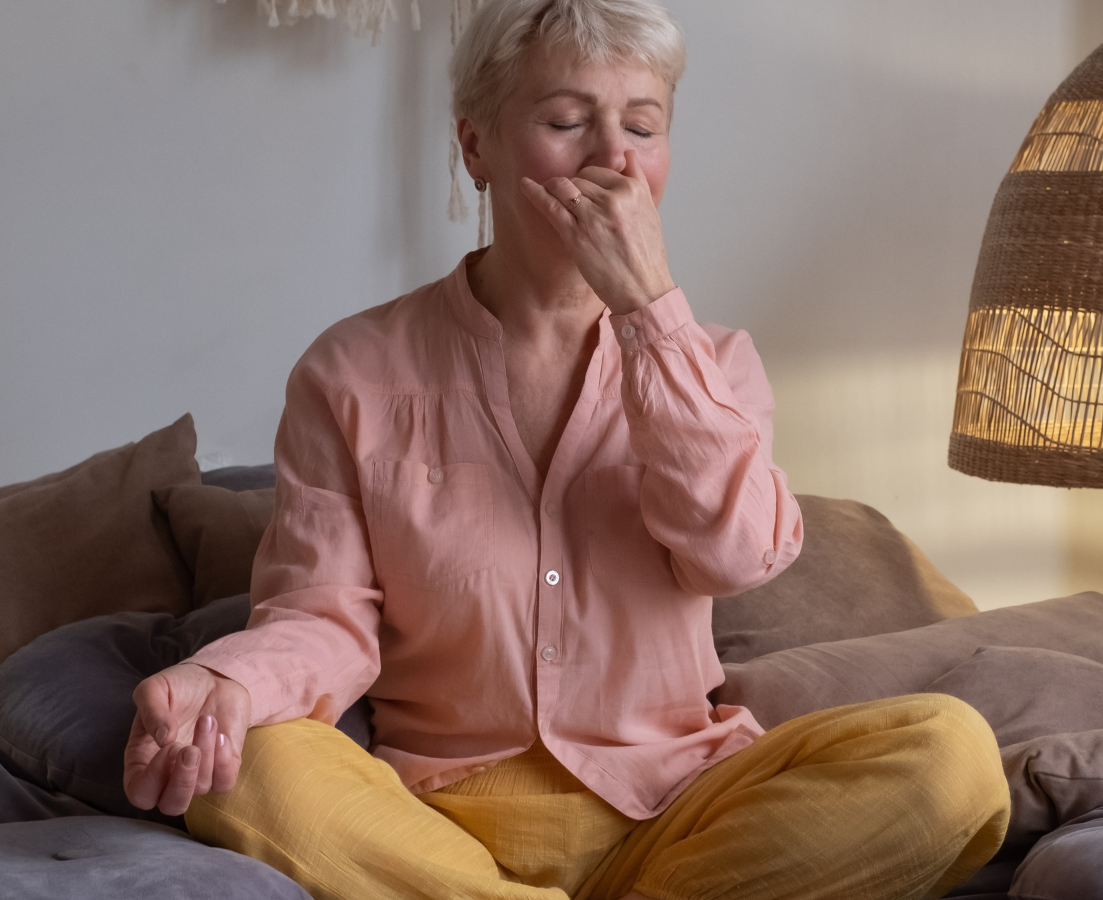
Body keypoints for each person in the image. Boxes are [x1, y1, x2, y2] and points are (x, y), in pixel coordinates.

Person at [121, 1, 1009, 898]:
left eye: (641, 125)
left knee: (953, 756)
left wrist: (651, 314)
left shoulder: (719, 365)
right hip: (437, 820)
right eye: (566, 121)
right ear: (477, 147)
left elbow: (737, 554)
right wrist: (223, 682)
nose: (613, 158)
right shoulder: (351, 371)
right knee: (252, 766)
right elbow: (322, 619)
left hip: (679, 809)